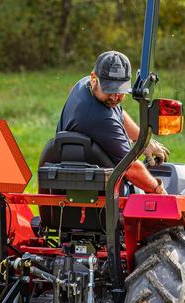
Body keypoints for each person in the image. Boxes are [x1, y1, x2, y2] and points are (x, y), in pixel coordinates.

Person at [57, 51, 170, 195]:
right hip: (99, 191)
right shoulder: (99, 118)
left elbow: (118, 113)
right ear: (94, 78)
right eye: (109, 90)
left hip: (83, 172)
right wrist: (159, 190)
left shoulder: (85, 85)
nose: (115, 97)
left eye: (120, 91)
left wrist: (142, 141)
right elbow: (131, 168)